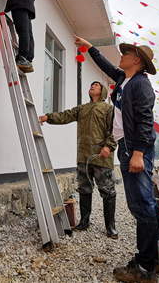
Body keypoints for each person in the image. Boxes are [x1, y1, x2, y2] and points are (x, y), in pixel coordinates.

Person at [74, 36, 159, 283]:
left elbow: (145, 120)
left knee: (143, 206)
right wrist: (90, 48)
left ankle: (146, 268)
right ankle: (147, 258)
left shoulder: (141, 84)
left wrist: (138, 153)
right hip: (125, 147)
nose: (121, 55)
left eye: (127, 52)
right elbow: (106, 66)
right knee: (137, 205)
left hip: (135, 149)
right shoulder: (124, 78)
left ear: (138, 60)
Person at [39, 82, 117, 238]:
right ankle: (84, 222)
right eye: (92, 85)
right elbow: (65, 115)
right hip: (83, 156)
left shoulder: (109, 109)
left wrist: (108, 146)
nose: (93, 86)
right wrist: (48, 117)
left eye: (96, 85)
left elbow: (114, 129)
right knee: (84, 189)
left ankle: (110, 226)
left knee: (107, 191)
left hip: (102, 157)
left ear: (103, 91)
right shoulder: (82, 108)